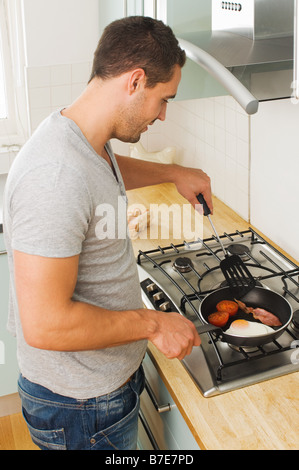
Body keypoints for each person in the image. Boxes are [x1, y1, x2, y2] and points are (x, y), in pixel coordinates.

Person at [3, 16, 212, 450]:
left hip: (99, 388)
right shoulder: (54, 174)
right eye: (163, 99)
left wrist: (174, 172)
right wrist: (154, 324)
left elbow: (100, 173)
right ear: (136, 81)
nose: (163, 114)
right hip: (81, 406)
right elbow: (45, 325)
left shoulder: (82, 137)